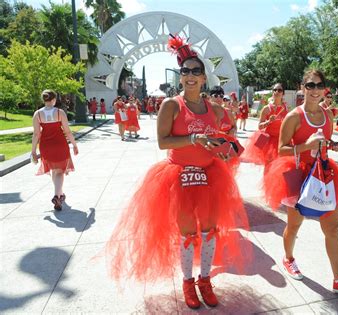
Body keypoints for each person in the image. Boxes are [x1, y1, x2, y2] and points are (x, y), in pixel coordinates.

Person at [106, 35, 251, 310]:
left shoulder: (215, 108)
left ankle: (205, 280)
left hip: (210, 175)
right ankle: (188, 283)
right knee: (187, 233)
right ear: (180, 77)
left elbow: (227, 130)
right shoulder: (171, 105)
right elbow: (163, 142)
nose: (191, 75)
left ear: (205, 77)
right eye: (186, 71)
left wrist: (224, 146)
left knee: (209, 230)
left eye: (197, 71)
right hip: (180, 176)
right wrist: (194, 140)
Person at [263, 70, 338, 297]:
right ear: (302, 87)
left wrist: (333, 146)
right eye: (310, 85)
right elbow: (281, 150)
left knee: (332, 228)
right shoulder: (294, 116)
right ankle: (288, 258)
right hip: (298, 175)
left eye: (319, 85)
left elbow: (324, 142)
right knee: (295, 225)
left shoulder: (327, 116)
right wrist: (307, 146)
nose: (315, 90)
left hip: (323, 174)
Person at [31, 90, 79, 211]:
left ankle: (60, 193)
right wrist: (74, 144)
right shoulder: (60, 112)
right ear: (54, 99)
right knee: (60, 171)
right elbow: (67, 131)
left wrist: (33, 151)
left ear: (44, 100)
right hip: (60, 144)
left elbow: (36, 134)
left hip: (46, 146)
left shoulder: (37, 114)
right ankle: (57, 196)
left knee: (54, 170)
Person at [243, 83, 288, 165]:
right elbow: (260, 127)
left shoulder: (286, 108)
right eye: (275, 90)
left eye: (279, 90)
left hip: (281, 140)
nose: (277, 92)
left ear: (283, 93)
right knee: (268, 165)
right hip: (268, 141)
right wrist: (268, 122)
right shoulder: (267, 108)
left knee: (280, 167)